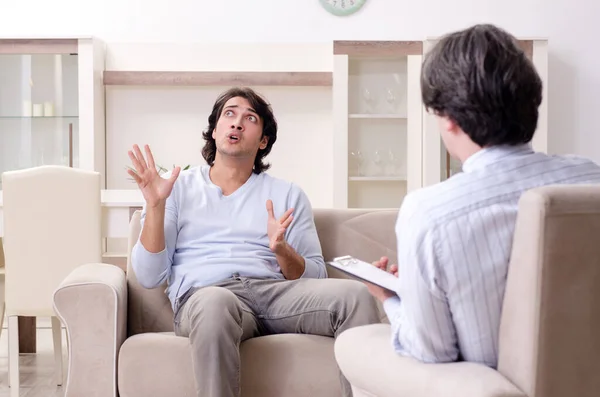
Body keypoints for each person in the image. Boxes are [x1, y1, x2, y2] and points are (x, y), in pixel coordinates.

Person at [364, 23, 600, 368]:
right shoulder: (591, 178)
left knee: (356, 343)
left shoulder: (428, 211)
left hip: (488, 385)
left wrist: (392, 300)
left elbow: (432, 351)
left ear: (448, 118)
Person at [128, 86, 380, 397]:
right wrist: (155, 205)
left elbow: (315, 275)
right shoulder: (175, 189)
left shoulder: (288, 194)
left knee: (354, 295)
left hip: (275, 294)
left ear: (263, 141)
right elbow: (149, 276)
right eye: (229, 114)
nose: (237, 123)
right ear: (215, 129)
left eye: (250, 118)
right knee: (215, 304)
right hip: (208, 293)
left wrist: (283, 251)